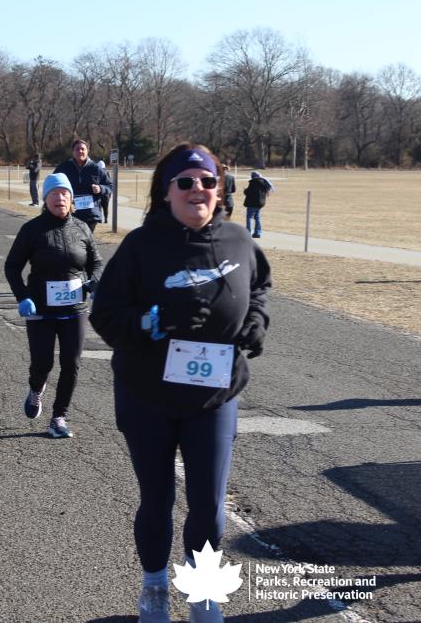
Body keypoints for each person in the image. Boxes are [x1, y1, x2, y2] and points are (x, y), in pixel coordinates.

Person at [89, 143, 271, 622]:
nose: (198, 190)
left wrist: (255, 321)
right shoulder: (140, 246)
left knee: (208, 503)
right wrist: (151, 322)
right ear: (166, 192)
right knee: (158, 499)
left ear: (221, 189)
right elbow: (105, 314)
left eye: (208, 181)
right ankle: (153, 587)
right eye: (185, 182)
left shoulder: (238, 241)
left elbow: (260, 287)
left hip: (215, 395)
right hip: (147, 394)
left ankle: (203, 591)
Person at [4, 173, 104, 439]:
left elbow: (95, 262)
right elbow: (12, 266)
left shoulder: (82, 228)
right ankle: (36, 389)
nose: (60, 198)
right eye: (54, 193)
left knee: (71, 363)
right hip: (41, 310)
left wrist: (94, 280)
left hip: (75, 309)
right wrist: (23, 296)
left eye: (65, 193)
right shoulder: (32, 230)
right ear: (45, 199)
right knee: (42, 363)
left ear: (71, 199)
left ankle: (59, 417)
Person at [53, 140, 112, 233]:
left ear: (87, 151)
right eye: (77, 149)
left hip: (90, 214)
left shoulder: (96, 168)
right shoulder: (63, 167)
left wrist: (100, 188)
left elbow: (109, 186)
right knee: (71, 239)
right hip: (70, 212)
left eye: (82, 149)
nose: (80, 151)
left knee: (86, 239)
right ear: (73, 152)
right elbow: (53, 184)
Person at [242, 170, 273, 239]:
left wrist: (245, 190)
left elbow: (249, 192)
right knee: (257, 217)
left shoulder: (253, 182)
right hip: (260, 203)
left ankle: (248, 233)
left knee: (249, 217)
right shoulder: (264, 182)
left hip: (252, 203)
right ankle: (257, 233)